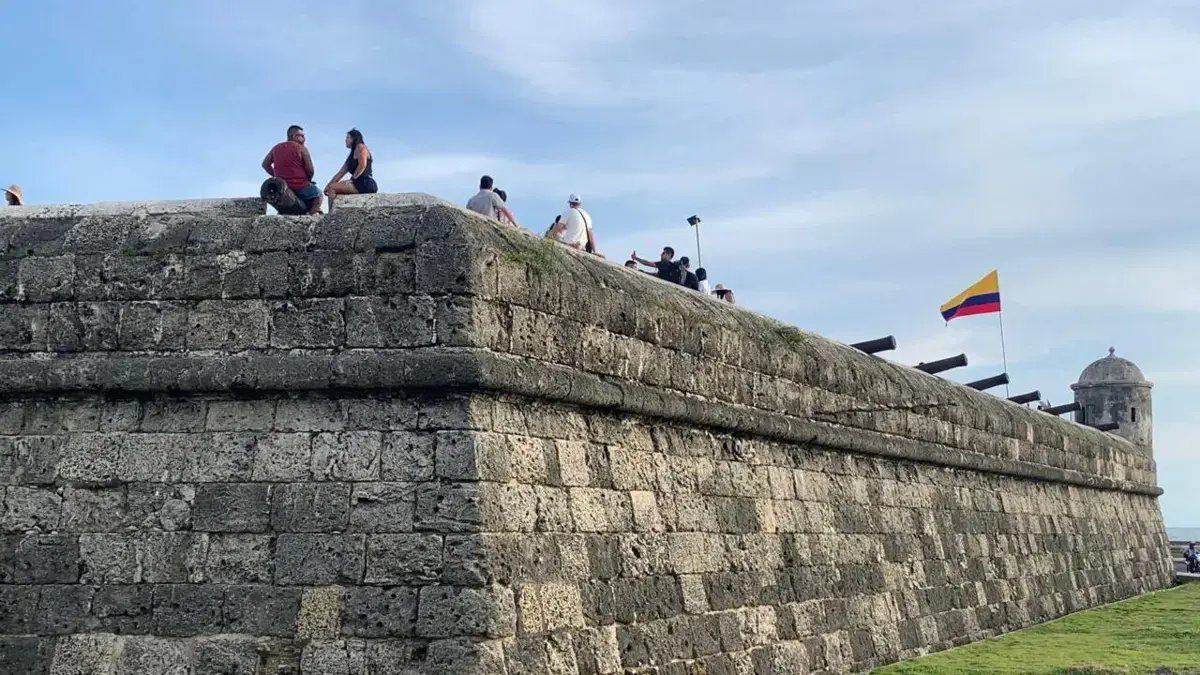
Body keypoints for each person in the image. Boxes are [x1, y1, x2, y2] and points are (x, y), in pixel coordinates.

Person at [262, 126, 322, 214]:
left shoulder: (276, 148)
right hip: (300, 185)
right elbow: (310, 170)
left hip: (283, 186)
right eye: (302, 136)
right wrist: (308, 180)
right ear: (294, 136)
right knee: (318, 195)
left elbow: (265, 164)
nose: (304, 139)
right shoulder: (301, 148)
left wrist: (277, 176)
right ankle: (310, 215)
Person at [324, 128, 378, 207]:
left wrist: (352, 179)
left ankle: (331, 212)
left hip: (365, 182)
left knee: (332, 188)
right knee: (332, 187)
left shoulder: (360, 147)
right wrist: (328, 185)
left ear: (354, 138)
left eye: (348, 137)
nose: (345, 140)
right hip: (358, 182)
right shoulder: (351, 156)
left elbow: (362, 165)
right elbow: (340, 173)